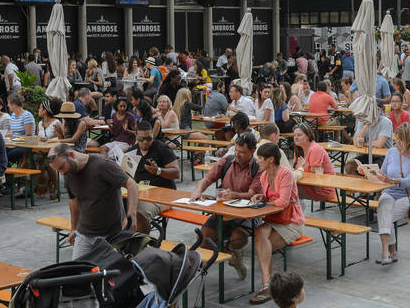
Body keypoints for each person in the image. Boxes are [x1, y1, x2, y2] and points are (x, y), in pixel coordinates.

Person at [190, 133, 263, 280]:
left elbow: (251, 194)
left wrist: (234, 195)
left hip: (247, 212)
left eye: (242, 152)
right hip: (223, 211)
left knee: (238, 238)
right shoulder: (227, 161)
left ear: (253, 151)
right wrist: (197, 192)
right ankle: (230, 254)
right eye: (236, 150)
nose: (237, 154)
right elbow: (206, 179)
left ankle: (232, 251)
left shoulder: (258, 167)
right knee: (203, 240)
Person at [47, 143, 138, 259]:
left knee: (110, 274)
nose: (62, 173)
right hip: (84, 234)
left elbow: (131, 185)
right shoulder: (68, 173)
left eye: (61, 167)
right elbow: (73, 200)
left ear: (70, 154)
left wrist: (132, 215)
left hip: (111, 234)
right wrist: (73, 228)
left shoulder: (102, 164)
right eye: (57, 171)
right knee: (79, 273)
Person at [249, 143, 305, 305]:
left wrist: (266, 204)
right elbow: (273, 199)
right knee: (259, 233)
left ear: (270, 159)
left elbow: (283, 202)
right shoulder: (264, 176)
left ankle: (267, 286)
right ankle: (268, 284)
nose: (257, 161)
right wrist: (261, 197)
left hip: (292, 222)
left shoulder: (285, 173)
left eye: (260, 158)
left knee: (262, 246)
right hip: (275, 219)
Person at [374, 123, 410, 265]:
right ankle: (388, 252)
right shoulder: (391, 152)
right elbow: (382, 172)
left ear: (409, 141)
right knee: (384, 206)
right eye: (397, 139)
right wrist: (370, 172)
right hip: (390, 191)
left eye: (401, 140)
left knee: (385, 214)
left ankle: (389, 252)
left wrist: (392, 180)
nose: (397, 142)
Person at [124, 121, 179, 233]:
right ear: (136, 136)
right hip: (141, 192)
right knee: (117, 206)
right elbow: (126, 174)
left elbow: (176, 172)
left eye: (149, 139)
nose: (145, 142)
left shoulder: (162, 148)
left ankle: (141, 244)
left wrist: (158, 171)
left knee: (139, 212)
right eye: (141, 139)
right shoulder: (132, 152)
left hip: (163, 194)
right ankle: (123, 242)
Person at [293, 123, 335, 201]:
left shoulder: (315, 149)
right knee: (286, 187)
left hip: (322, 188)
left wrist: (301, 166)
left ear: (308, 136)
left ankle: (296, 212)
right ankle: (297, 211)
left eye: (299, 135)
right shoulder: (298, 149)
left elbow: (315, 174)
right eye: (294, 135)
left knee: (289, 190)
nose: (296, 138)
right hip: (306, 184)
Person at [345, 109, 394, 174]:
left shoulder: (386, 122)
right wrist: (365, 126)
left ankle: (369, 182)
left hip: (383, 156)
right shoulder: (362, 121)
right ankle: (360, 183)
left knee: (372, 170)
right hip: (368, 155)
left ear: (379, 111)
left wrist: (363, 143)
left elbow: (379, 144)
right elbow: (356, 142)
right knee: (349, 166)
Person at [7, 94, 35, 164]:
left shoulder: (27, 115)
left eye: (9, 103)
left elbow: (28, 134)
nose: (7, 105)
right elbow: (13, 133)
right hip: (14, 144)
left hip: (25, 145)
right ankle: (8, 173)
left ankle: (10, 174)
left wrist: (15, 141)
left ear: (14, 105)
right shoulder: (13, 115)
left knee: (5, 156)